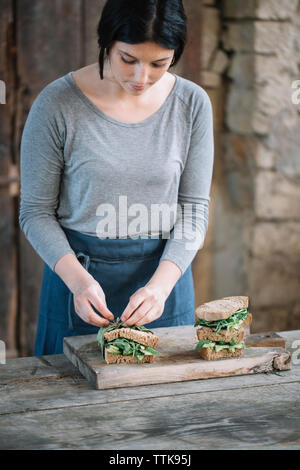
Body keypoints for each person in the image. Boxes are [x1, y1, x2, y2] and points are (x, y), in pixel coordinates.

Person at [19, 0, 214, 356]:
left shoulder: (192, 104)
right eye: (128, 59)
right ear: (106, 41)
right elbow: (35, 212)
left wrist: (160, 286)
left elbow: (194, 209)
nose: (141, 78)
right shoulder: (57, 104)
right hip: (78, 282)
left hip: (164, 282)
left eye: (159, 63)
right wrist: (78, 282)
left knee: (172, 407)